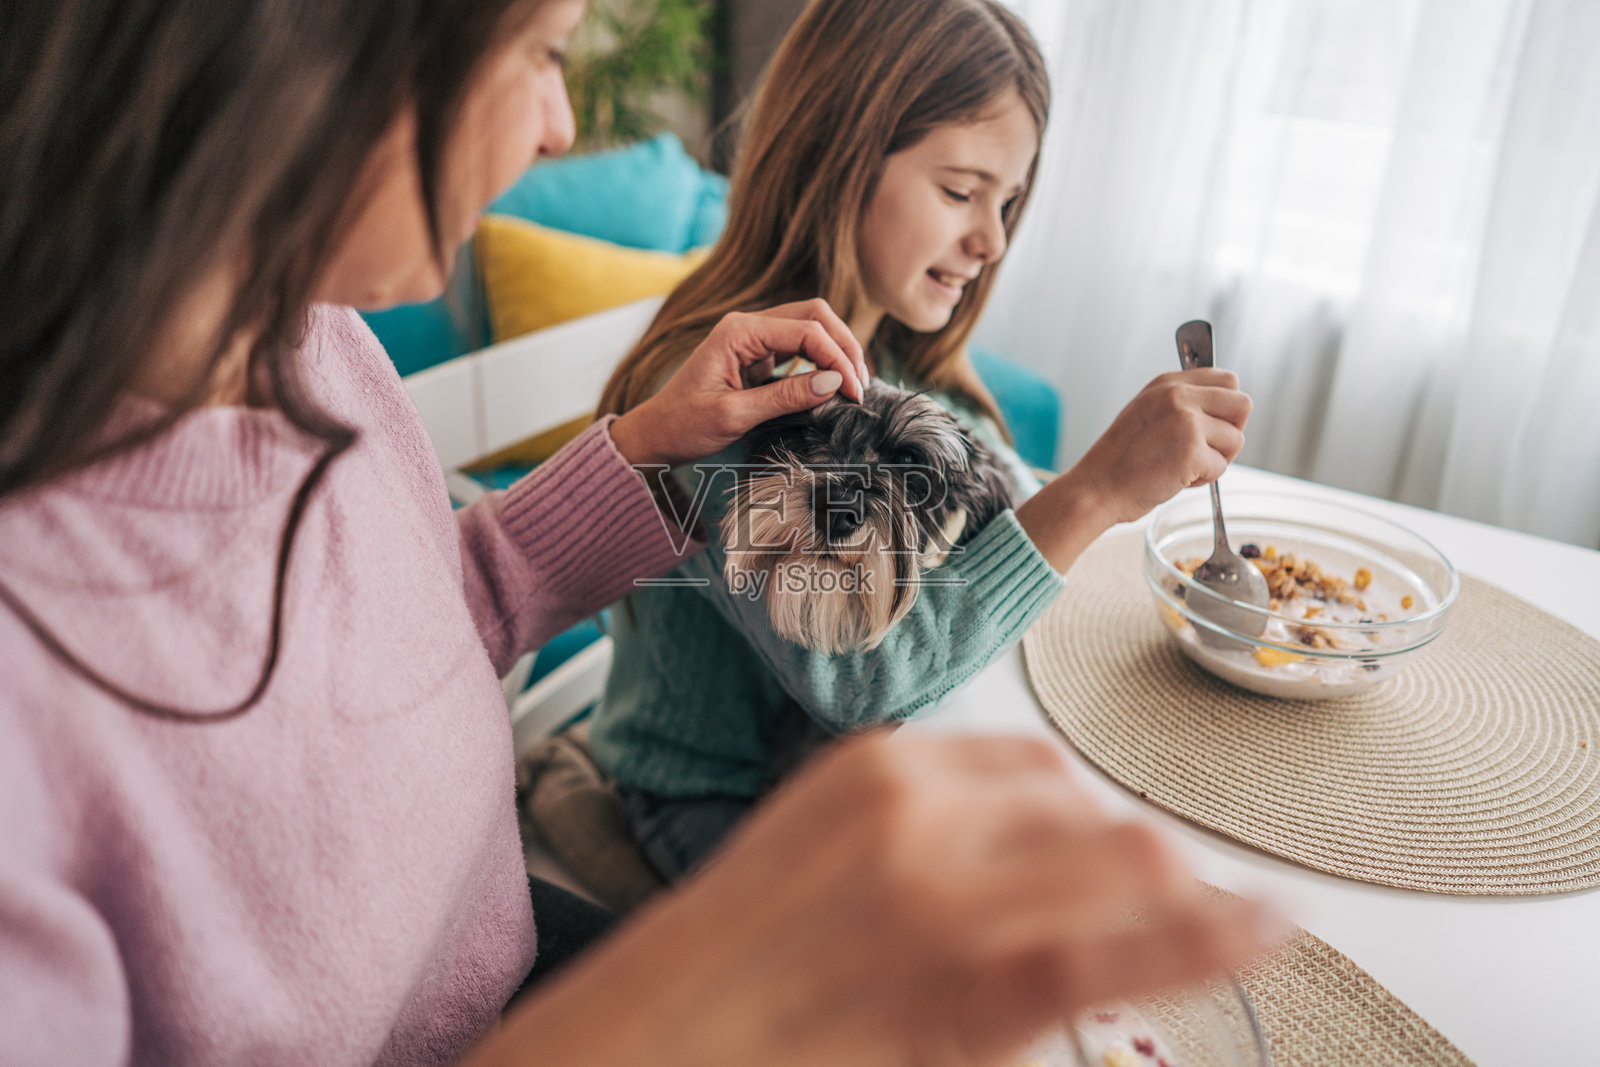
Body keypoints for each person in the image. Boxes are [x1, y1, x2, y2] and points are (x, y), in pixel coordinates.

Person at [0, 0, 1279, 1064]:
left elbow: (415, 609)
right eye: (545, 54)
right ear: (319, 53)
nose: (564, 124)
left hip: (493, 960)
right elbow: (872, 669)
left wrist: (641, 452)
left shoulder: (316, 342)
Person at [588, 0, 1254, 882]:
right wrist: (1093, 490)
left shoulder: (893, 346)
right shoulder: (715, 392)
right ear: (839, 156)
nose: (991, 239)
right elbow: (863, 684)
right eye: (959, 191)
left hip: (843, 776)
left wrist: (1101, 483)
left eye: (1008, 200)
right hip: (719, 797)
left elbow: (1007, 486)